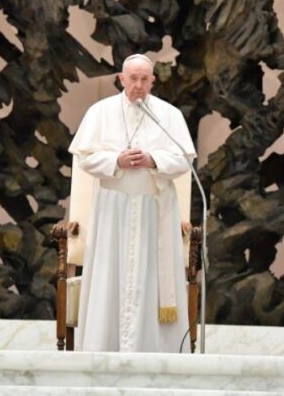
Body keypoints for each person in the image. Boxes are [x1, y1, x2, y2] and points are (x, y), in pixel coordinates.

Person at [68, 54, 196, 352]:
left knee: (150, 278)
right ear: (121, 79)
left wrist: (153, 159)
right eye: (132, 79)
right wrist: (117, 159)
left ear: (153, 81)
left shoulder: (169, 115)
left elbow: (184, 159)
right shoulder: (100, 112)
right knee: (110, 274)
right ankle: (105, 348)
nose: (138, 85)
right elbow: (84, 157)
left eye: (144, 79)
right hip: (113, 209)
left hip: (155, 211)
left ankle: (156, 353)